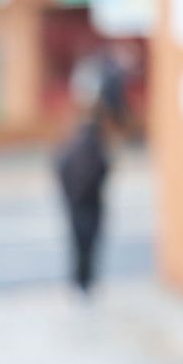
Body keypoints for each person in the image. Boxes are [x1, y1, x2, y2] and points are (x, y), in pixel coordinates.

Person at [55, 108, 110, 295]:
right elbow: (104, 170)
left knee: (78, 244)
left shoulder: (71, 146)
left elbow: (61, 168)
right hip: (90, 203)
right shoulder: (95, 147)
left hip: (77, 204)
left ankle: (80, 280)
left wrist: (70, 196)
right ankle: (85, 281)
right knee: (89, 244)